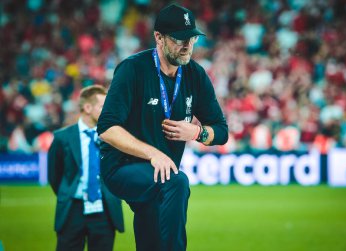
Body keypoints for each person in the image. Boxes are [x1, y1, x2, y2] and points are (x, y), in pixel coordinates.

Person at [97, 3, 228, 251]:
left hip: (159, 172)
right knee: (176, 183)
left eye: (192, 38)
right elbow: (106, 127)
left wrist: (198, 132)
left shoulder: (196, 75)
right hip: (122, 166)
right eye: (179, 38)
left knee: (152, 224)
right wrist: (153, 153)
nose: (187, 45)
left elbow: (221, 130)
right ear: (159, 37)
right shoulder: (133, 69)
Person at [48, 85, 124, 251]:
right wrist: (67, 193)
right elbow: (54, 176)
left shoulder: (115, 137)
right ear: (87, 107)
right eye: (103, 106)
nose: (108, 110)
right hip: (72, 210)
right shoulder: (62, 137)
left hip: (105, 210)